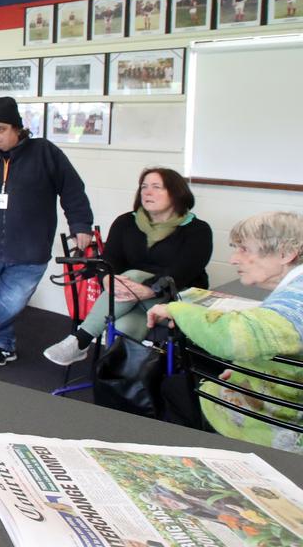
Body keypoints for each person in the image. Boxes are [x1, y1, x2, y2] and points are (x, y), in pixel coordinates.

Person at [0, 96, 93, 367]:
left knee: (11, 301)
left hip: (30, 247)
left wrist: (80, 224)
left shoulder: (45, 153)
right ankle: (4, 346)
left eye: (1, 130)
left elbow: (72, 190)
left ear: (18, 130)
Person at [147, 212, 303, 454]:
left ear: (285, 254)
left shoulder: (297, 299)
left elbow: (235, 339)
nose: (233, 259)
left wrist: (175, 309)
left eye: (244, 249)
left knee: (175, 387)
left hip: (284, 425)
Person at [43, 168, 213, 366]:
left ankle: (81, 339)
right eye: (144, 187)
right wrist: (108, 279)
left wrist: (148, 289)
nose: (147, 192)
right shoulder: (126, 222)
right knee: (123, 326)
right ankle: (121, 383)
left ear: (176, 193)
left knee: (133, 274)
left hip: (175, 299)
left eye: (156, 187)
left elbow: (183, 272)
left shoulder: (197, 230)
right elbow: (109, 260)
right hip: (130, 300)